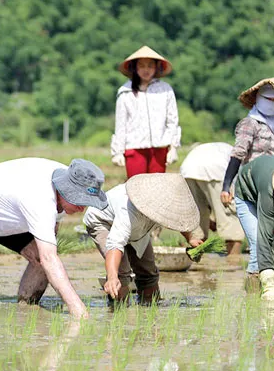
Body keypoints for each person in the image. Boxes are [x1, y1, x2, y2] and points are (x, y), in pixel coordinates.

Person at [0, 158, 108, 319]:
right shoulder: (41, 198)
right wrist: (78, 309)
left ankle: (26, 308)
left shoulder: (72, 180)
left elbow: (46, 247)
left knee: (38, 257)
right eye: (79, 202)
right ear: (65, 191)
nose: (81, 209)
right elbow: (50, 259)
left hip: (9, 216)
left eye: (86, 203)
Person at [83, 173, 199, 305]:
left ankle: (150, 306)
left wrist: (191, 238)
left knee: (148, 271)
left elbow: (178, 219)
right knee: (122, 272)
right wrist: (112, 277)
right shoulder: (129, 210)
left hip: (138, 230)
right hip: (104, 223)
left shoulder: (161, 206)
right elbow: (115, 244)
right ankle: (119, 314)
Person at [222, 78, 274, 280]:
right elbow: (238, 154)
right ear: (258, 98)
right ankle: (255, 296)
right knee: (259, 243)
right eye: (269, 99)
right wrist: (226, 185)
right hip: (248, 190)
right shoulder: (250, 123)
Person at [110, 46, 181, 179]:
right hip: (134, 149)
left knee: (157, 188)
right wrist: (117, 152)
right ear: (134, 68)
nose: (146, 70)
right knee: (136, 189)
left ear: (156, 67)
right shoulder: (125, 92)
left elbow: (172, 120)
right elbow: (121, 125)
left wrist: (173, 147)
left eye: (150, 65)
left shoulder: (165, 90)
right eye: (141, 66)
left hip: (160, 148)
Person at [179, 142, 245, 257]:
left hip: (188, 168)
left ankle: (197, 262)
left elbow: (205, 202)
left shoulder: (224, 149)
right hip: (217, 170)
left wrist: (210, 220)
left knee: (196, 218)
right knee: (231, 218)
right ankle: (233, 263)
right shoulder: (240, 157)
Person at [233, 155, 274, 301]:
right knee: (257, 242)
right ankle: (254, 295)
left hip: (270, 184)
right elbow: (265, 235)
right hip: (247, 194)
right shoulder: (269, 191)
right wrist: (270, 283)